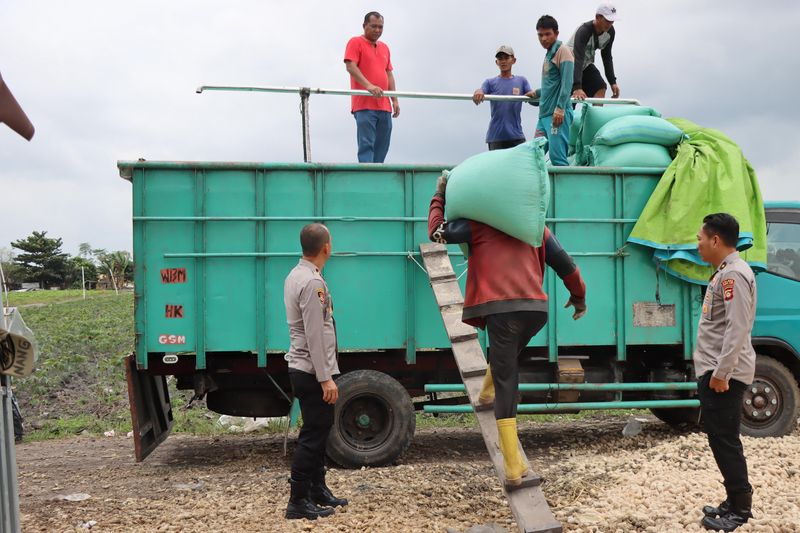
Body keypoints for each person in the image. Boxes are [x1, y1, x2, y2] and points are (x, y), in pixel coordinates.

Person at [428, 175, 587, 486]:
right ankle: (487, 388)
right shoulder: (535, 228)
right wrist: (579, 297)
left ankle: (513, 465)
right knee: (506, 358)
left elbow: (437, 232)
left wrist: (438, 197)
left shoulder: (479, 225)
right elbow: (566, 265)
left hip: (502, 311)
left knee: (506, 376)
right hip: (533, 311)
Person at [694, 213, 756, 532]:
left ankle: (741, 507)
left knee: (725, 439)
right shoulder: (724, 273)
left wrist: (721, 373)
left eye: (700, 239)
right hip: (718, 372)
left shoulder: (734, 275)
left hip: (724, 376)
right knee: (720, 438)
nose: (698, 244)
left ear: (716, 240)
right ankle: (733, 500)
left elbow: (737, 327)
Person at [283, 223, 348, 520]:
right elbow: (314, 335)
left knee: (320, 430)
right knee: (313, 434)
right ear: (326, 247)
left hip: (306, 368)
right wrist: (325, 378)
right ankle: (297, 500)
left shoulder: (300, 275)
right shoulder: (311, 283)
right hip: (311, 371)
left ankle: (317, 488)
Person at [344, 11, 399, 163]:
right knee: (367, 144)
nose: (377, 30)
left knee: (383, 145)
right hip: (364, 105)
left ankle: (378, 175)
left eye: (380, 27)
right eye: (373, 26)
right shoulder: (355, 42)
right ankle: (367, 175)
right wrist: (369, 86)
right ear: (364, 26)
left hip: (384, 106)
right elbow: (350, 67)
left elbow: (389, 74)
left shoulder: (385, 47)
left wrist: (394, 100)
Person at [531, 15, 575, 166]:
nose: (543, 38)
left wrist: (560, 108)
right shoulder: (548, 54)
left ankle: (568, 190)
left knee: (558, 159)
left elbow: (567, 82)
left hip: (557, 115)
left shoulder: (563, 51)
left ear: (556, 33)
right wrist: (536, 93)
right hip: (544, 115)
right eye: (540, 35)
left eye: (547, 34)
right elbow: (551, 85)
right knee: (534, 155)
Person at [472, 46, 535, 151]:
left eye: (506, 58)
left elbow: (531, 95)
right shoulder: (490, 82)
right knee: (496, 167)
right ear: (496, 62)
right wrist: (478, 92)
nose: (503, 61)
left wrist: (531, 95)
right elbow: (481, 90)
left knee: (519, 166)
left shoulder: (522, 80)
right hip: (496, 136)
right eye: (500, 58)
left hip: (516, 135)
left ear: (513, 60)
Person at [567, 3, 620, 101]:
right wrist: (577, 87)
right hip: (569, 66)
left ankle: (594, 115)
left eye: (612, 21)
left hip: (585, 64)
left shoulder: (610, 32)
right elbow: (578, 58)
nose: (610, 24)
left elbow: (607, 57)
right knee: (571, 99)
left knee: (600, 86)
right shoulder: (584, 31)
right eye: (607, 20)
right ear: (597, 17)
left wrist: (613, 82)